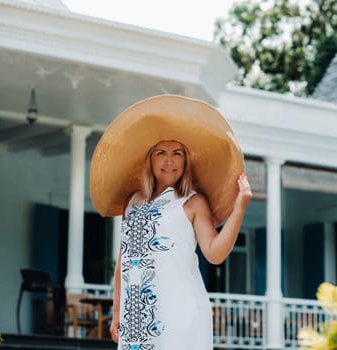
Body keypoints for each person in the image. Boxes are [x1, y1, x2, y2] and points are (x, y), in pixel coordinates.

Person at [89, 95, 252, 349]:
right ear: (150, 158)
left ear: (185, 160)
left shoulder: (193, 202)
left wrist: (239, 208)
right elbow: (123, 263)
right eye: (161, 153)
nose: (169, 161)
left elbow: (215, 253)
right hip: (136, 318)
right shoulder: (131, 203)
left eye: (177, 153)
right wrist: (118, 310)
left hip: (180, 313)